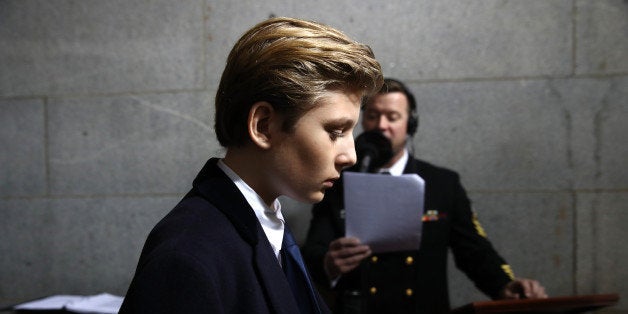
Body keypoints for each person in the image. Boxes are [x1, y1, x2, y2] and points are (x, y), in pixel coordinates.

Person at [119, 17, 383, 314]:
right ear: (263, 125)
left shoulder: (266, 223)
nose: (351, 156)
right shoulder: (187, 257)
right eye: (335, 132)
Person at [301, 78, 547, 314]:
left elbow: (474, 250)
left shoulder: (442, 184)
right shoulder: (337, 180)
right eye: (373, 116)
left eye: (392, 117)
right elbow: (314, 249)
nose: (381, 125)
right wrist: (329, 264)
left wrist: (504, 285)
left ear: (411, 124)